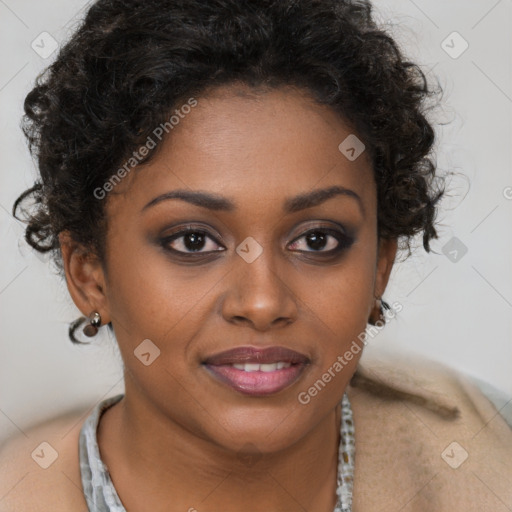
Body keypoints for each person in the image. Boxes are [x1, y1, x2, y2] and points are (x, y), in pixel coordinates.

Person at [1, 0, 511, 510]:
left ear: (380, 266)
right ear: (90, 276)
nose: (263, 302)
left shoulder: (490, 459)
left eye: (317, 240)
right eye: (193, 241)